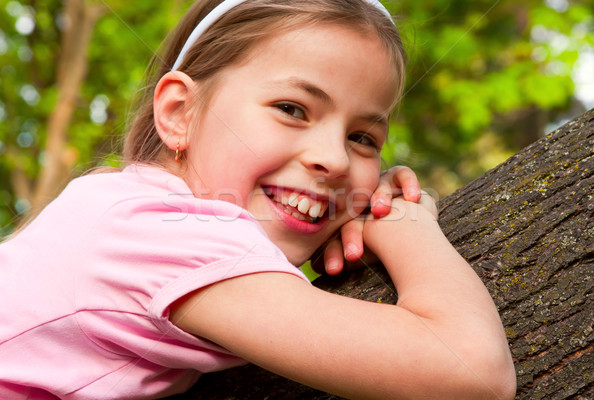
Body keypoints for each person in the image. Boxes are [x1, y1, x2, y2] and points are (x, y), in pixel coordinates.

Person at [0, 0, 516, 399]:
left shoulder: (123, 210)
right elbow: (474, 373)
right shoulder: (155, 233)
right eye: (292, 108)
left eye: (364, 139)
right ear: (180, 112)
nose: (335, 160)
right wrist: (404, 224)